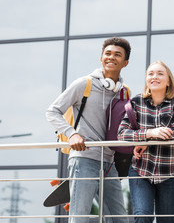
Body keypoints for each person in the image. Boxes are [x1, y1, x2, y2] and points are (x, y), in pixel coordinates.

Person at [46, 37, 131, 223]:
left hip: (110, 163)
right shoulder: (84, 84)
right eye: (107, 54)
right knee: (80, 217)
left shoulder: (124, 92)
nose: (111, 57)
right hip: (84, 159)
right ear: (101, 58)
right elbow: (52, 111)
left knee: (120, 219)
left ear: (125, 62)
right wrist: (72, 133)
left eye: (117, 54)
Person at [118, 61, 174, 223]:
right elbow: (122, 134)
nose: (154, 77)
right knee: (142, 216)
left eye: (160, 73)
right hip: (140, 170)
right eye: (151, 74)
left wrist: (146, 141)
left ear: (168, 81)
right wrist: (150, 133)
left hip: (168, 172)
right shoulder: (136, 102)